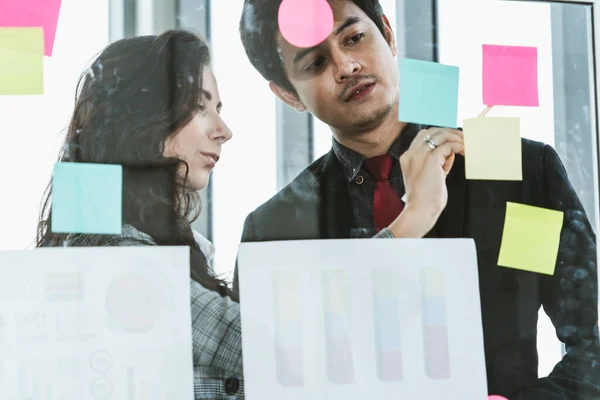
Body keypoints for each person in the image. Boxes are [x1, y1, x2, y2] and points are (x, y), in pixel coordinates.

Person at [237, 0, 600, 399]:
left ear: (388, 34)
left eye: (355, 38)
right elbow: (268, 380)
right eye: (316, 63)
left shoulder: (517, 176)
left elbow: (590, 345)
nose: (346, 67)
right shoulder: (275, 230)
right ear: (288, 94)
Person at [37, 30, 245, 399]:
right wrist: (381, 246)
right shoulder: (103, 249)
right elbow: (242, 342)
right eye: (200, 107)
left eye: (218, 110)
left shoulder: (169, 245)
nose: (223, 131)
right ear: (144, 116)